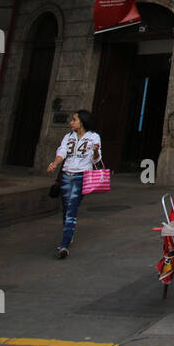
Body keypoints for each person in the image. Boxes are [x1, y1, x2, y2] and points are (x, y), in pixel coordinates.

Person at [46, 109, 102, 259]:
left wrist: (96, 151)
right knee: (66, 207)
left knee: (72, 208)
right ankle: (68, 234)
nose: (71, 122)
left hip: (82, 176)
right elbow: (62, 152)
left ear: (82, 122)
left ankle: (64, 245)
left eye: (74, 120)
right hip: (66, 175)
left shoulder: (93, 137)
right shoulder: (68, 137)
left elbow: (96, 160)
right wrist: (54, 164)